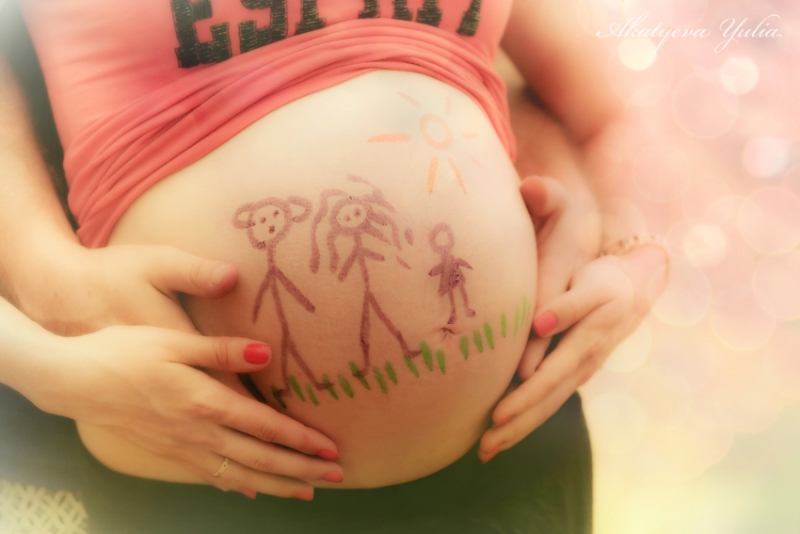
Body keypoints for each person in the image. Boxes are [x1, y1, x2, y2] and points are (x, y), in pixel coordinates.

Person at [0, 0, 668, 531]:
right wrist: (42, 304)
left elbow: (602, 118)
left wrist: (631, 253)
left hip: (509, 454)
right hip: (204, 480)